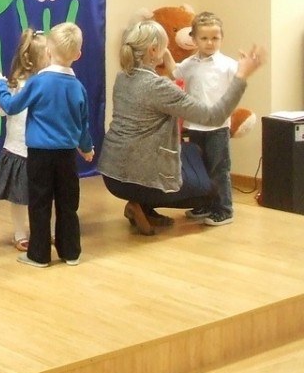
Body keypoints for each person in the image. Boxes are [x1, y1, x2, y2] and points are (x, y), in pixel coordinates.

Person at [97, 19, 265, 236]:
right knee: (209, 189)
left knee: (190, 152)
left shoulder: (123, 77)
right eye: (165, 46)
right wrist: (241, 76)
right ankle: (140, 201)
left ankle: (143, 207)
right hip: (134, 179)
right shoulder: (158, 86)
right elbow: (213, 116)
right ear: (154, 50)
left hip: (111, 174)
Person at [0, 22, 95, 268]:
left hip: (39, 154)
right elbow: (83, 124)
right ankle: (71, 252)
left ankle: (39, 255)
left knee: (40, 203)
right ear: (78, 55)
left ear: (48, 50)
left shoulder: (38, 83)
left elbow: (11, 106)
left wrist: (0, 84)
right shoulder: (78, 87)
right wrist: (87, 148)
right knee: (68, 204)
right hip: (67, 155)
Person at [170, 12, 238, 226]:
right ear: (194, 39)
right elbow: (175, 73)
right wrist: (165, 53)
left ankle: (224, 209)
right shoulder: (189, 63)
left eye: (215, 38)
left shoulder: (228, 65)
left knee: (218, 169)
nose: (210, 43)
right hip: (195, 125)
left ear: (222, 37)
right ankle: (205, 204)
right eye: (204, 38)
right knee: (200, 169)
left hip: (217, 127)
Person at [0, 28, 48, 252]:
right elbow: (3, 109)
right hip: (19, 149)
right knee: (19, 196)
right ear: (33, 60)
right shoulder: (16, 84)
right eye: (48, 54)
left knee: (45, 194)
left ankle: (46, 229)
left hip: (43, 149)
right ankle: (20, 233)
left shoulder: (49, 82)